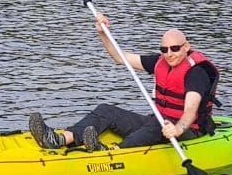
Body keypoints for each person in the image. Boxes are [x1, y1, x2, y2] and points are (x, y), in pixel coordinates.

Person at [29, 13, 220, 152]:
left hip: (188, 131)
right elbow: (120, 57)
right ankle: (60, 139)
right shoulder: (159, 61)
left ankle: (113, 152)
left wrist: (177, 129)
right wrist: (103, 33)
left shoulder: (196, 73)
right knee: (106, 111)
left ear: (186, 47)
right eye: (164, 49)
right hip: (158, 122)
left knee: (158, 125)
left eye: (175, 48)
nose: (169, 53)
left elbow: (190, 112)